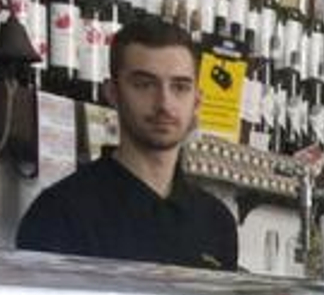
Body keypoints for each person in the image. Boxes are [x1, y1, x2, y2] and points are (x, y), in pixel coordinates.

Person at [17, 19, 238, 270]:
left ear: (197, 101)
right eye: (144, 85)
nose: (164, 103)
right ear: (112, 93)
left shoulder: (217, 222)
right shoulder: (60, 213)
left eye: (179, 87)